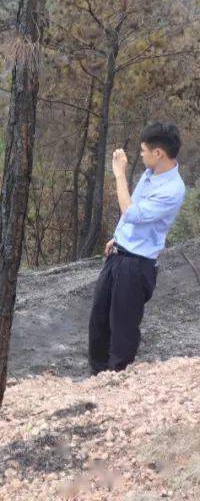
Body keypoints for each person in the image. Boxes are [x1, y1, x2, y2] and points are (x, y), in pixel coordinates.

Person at [89, 122, 186, 374]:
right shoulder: (150, 174)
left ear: (158, 153)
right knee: (99, 321)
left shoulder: (172, 190)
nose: (140, 154)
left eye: (144, 150)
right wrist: (118, 237)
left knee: (123, 329)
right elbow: (133, 208)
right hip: (119, 254)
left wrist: (119, 174)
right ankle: (97, 378)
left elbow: (130, 211)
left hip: (137, 265)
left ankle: (116, 381)